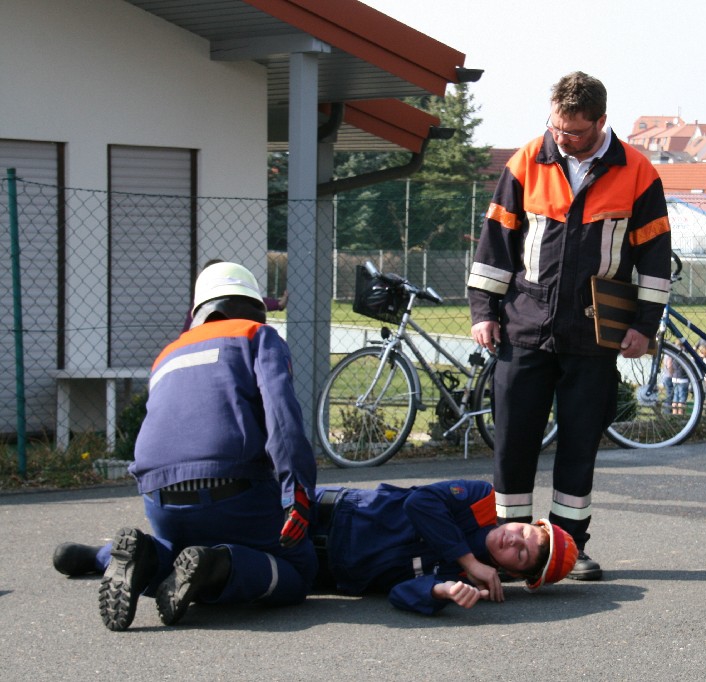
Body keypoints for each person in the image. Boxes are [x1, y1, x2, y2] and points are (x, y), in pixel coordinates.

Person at [467, 71, 672, 581]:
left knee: (580, 446)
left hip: (593, 334)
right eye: (556, 127)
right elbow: (496, 243)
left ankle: (568, 547)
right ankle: (510, 546)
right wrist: (483, 312)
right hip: (524, 327)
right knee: (513, 443)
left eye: (575, 131)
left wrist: (644, 325)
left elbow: (654, 258)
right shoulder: (526, 161)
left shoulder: (639, 173)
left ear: (601, 122)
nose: (562, 138)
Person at [95, 261, 318, 631]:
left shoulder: (167, 353)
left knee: (177, 553)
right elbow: (282, 418)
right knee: (298, 571)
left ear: (200, 310)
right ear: (255, 306)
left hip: (160, 497)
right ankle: (219, 566)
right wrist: (298, 492)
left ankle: (148, 558)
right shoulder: (258, 336)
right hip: (234, 491)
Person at [53, 479, 578, 618]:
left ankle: (128, 556)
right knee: (209, 538)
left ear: (514, 576)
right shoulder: (479, 501)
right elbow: (421, 503)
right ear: (524, 522)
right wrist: (465, 559)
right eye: (526, 534)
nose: (514, 541)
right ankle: (100, 556)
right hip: (325, 514)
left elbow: (399, 594)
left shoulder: (463, 582)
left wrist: (440, 590)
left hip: (319, 568)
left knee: (227, 562)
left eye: (521, 556)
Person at [181, 258, 287, 332]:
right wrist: (278, 304)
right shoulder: (233, 301)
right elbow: (251, 301)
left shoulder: (199, 305)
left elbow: (186, 332)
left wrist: (278, 304)